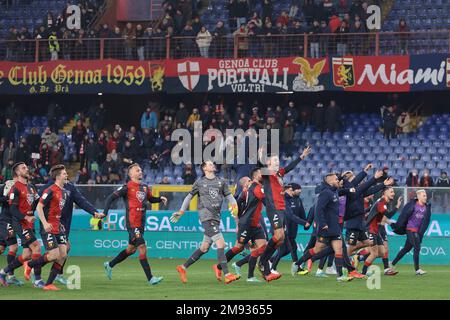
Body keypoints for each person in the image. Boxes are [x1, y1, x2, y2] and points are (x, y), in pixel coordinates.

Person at [171, 161, 239, 284]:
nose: (212, 165)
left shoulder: (221, 181)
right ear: (204, 168)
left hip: (216, 217)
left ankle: (183, 267)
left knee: (204, 248)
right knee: (221, 244)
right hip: (206, 217)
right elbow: (188, 197)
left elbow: (229, 197)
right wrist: (181, 211)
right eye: (209, 164)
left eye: (212, 163)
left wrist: (234, 205)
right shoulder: (200, 182)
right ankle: (227, 274)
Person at [102, 164, 167, 285]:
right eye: (137, 170)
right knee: (142, 246)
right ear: (131, 174)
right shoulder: (127, 187)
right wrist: (105, 212)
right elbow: (110, 198)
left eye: (141, 170)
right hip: (132, 224)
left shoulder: (145, 187)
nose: (140, 171)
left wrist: (160, 199)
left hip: (141, 224)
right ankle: (150, 278)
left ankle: (109, 264)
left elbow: (151, 199)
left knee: (131, 249)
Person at [257, 145, 312, 281]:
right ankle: (264, 262)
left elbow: (289, 167)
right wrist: (260, 156)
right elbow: (260, 165)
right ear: (268, 163)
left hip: (281, 209)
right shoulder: (267, 174)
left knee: (280, 239)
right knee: (279, 235)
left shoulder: (279, 174)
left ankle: (265, 265)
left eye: (277, 160)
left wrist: (301, 157)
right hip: (274, 208)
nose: (277, 162)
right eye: (274, 160)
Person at [294, 173, 353, 282]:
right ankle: (297, 264)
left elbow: (343, 189)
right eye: (336, 179)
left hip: (335, 227)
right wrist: (322, 223)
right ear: (330, 181)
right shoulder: (325, 193)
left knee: (338, 250)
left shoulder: (334, 192)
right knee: (317, 249)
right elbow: (318, 210)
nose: (338, 181)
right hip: (325, 228)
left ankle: (340, 276)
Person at [216, 170, 268, 282]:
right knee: (238, 248)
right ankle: (219, 266)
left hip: (255, 224)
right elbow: (235, 209)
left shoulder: (251, 191)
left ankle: (252, 275)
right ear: (245, 184)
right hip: (245, 224)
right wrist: (238, 224)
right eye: (248, 181)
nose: (250, 182)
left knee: (262, 247)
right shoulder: (243, 194)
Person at [0, 162, 43, 288]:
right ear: (17, 173)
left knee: (27, 255)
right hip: (19, 223)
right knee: (36, 247)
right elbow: (13, 210)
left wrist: (33, 212)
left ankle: (3, 272)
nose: (27, 169)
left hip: (27, 222)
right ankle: (37, 280)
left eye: (26, 167)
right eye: (23, 168)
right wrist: (26, 216)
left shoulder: (31, 187)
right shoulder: (15, 188)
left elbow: (36, 202)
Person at [28, 165, 70, 291]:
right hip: (48, 227)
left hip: (58, 226)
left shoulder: (64, 192)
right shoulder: (50, 190)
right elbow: (39, 207)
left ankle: (48, 284)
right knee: (53, 255)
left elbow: (58, 210)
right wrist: (45, 223)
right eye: (64, 173)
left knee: (63, 255)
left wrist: (59, 222)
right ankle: (29, 264)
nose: (66, 175)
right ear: (57, 177)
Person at [269, 183, 310, 276]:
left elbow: (301, 214)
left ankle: (271, 261)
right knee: (284, 249)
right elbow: (290, 216)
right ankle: (273, 268)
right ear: (286, 190)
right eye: (291, 190)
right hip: (280, 229)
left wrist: (306, 223)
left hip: (290, 230)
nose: (292, 192)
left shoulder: (297, 200)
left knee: (289, 249)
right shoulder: (283, 200)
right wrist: (304, 223)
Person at [362, 188, 402, 276]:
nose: (393, 193)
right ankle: (363, 273)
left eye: (393, 192)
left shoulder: (383, 202)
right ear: (385, 192)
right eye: (391, 192)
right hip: (370, 229)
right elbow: (387, 215)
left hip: (375, 230)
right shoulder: (381, 202)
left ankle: (360, 256)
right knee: (374, 253)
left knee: (382, 252)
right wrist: (397, 206)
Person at [391, 190, 431, 275]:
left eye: (426, 196)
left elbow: (426, 221)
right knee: (417, 247)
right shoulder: (412, 205)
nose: (425, 197)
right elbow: (404, 215)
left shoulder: (427, 207)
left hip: (417, 231)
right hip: (410, 229)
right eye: (424, 196)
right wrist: (398, 225)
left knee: (406, 249)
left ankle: (392, 263)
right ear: (419, 197)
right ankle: (417, 270)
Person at [0, 178, 23, 286]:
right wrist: (6, 198)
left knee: (1, 248)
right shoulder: (7, 185)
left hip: (13, 220)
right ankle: (10, 275)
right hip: (6, 220)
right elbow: (2, 199)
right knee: (14, 247)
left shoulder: (23, 186)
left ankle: (9, 275)